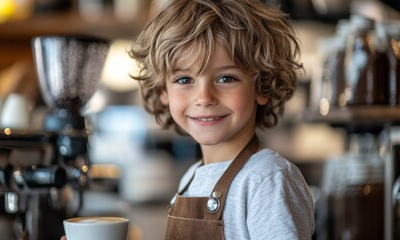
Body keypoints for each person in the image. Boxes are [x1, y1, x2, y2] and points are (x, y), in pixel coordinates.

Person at [62, 0, 314, 239]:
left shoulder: (267, 180)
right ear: (163, 90)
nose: (204, 98)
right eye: (184, 80)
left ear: (262, 86)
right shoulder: (191, 178)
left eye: (226, 78)